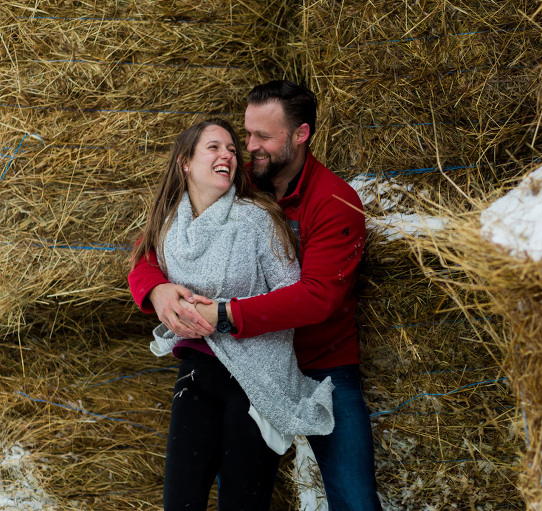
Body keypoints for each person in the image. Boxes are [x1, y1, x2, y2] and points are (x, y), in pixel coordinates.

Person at [128, 81, 382, 509]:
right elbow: (151, 245)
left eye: (262, 136)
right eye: (246, 135)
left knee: (354, 498)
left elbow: (317, 297)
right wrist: (156, 289)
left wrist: (224, 314)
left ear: (300, 135)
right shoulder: (239, 180)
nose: (249, 147)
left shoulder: (335, 202)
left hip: (321, 363)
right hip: (242, 365)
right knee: (238, 492)